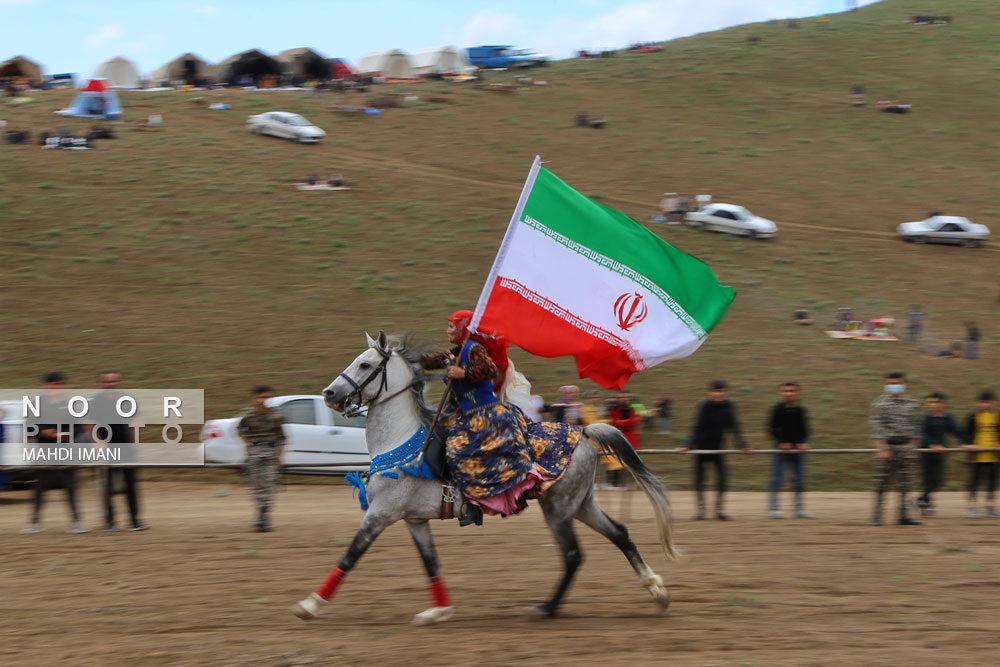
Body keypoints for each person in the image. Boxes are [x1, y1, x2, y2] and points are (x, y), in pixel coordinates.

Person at [420, 311, 581, 526]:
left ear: (464, 328)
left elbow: (489, 369)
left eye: (451, 326)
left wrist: (463, 374)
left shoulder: (474, 348)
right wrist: (413, 358)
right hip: (461, 411)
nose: (447, 330)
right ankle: (451, 493)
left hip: (484, 412)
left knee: (461, 450)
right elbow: (436, 360)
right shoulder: (458, 351)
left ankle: (472, 502)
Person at [21, 372, 88, 534]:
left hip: (66, 450)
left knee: (70, 486)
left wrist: (67, 433)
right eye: (52, 384)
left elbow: (78, 427)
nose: (55, 387)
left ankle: (77, 522)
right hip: (43, 451)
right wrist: (43, 432)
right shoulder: (35, 404)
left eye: (59, 384)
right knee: (38, 487)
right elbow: (29, 426)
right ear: (45, 385)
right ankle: (35, 523)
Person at [677, 380, 750, 520]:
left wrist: (742, 445)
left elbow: (735, 428)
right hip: (702, 448)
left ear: (726, 392)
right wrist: (687, 444)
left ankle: (719, 510)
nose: (718, 394)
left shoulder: (729, 406)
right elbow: (696, 427)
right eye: (715, 391)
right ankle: (701, 510)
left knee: (722, 478)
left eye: (721, 391)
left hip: (718, 449)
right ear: (710, 393)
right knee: (700, 479)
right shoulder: (704, 405)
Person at [91, 371, 148, 532]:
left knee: (131, 485)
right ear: (102, 383)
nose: (111, 384)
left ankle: (135, 520)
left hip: (127, 448)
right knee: (106, 486)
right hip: (106, 449)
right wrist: (98, 442)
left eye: (114, 381)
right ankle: (109, 522)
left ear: (119, 382)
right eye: (107, 381)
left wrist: (136, 440)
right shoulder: (96, 401)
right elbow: (89, 423)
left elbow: (137, 420)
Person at [869, 372, 922, 526]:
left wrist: (914, 445)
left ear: (904, 384)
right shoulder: (880, 404)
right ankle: (877, 517)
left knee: (905, 484)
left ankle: (903, 516)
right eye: (890, 383)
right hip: (889, 446)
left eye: (897, 383)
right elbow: (877, 427)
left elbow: (916, 425)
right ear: (885, 385)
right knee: (882, 483)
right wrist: (882, 448)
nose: (894, 386)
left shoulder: (911, 403)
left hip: (906, 446)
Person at [236, 385, 287, 532]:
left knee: (269, 486)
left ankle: (263, 516)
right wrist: (248, 445)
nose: (262, 400)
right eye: (259, 397)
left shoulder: (276, 416)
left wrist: (279, 457)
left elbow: (282, 438)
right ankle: (261, 516)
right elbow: (240, 430)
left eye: (265, 397)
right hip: (255, 452)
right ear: (254, 399)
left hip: (271, 452)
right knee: (257, 486)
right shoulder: (248, 415)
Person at [766, 382, 811, 519]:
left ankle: (799, 509)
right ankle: (773, 509)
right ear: (781, 393)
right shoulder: (777, 410)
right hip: (781, 451)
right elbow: (771, 429)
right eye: (786, 391)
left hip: (797, 451)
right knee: (777, 479)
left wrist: (802, 442)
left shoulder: (801, 410)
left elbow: (805, 430)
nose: (789, 393)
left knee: (799, 480)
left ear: (797, 393)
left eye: (792, 391)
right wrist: (781, 442)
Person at [915, 392, 963, 516]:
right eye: (930, 402)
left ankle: (921, 498)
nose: (933, 405)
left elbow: (957, 430)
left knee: (939, 479)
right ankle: (926, 505)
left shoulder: (947, 417)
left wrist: (966, 442)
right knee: (927, 480)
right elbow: (921, 434)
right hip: (925, 452)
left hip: (940, 453)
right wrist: (931, 444)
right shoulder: (924, 417)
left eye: (936, 402)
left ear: (943, 404)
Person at [962, 390, 999, 518]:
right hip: (977, 455)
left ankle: (990, 507)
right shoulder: (973, 416)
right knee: (974, 481)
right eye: (983, 402)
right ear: (979, 403)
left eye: (989, 402)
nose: (986, 405)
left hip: (993, 455)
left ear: (994, 403)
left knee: (992, 482)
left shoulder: (997, 416)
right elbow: (965, 434)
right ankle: (971, 507)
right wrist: (969, 445)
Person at [607, 392, 642, 489]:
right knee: (616, 459)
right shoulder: (613, 408)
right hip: (618, 436)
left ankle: (632, 483)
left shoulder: (636, 407)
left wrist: (621, 422)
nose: (624, 399)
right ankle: (615, 483)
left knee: (632, 460)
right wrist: (627, 422)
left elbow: (636, 420)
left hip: (631, 436)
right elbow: (613, 422)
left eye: (626, 397)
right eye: (621, 397)